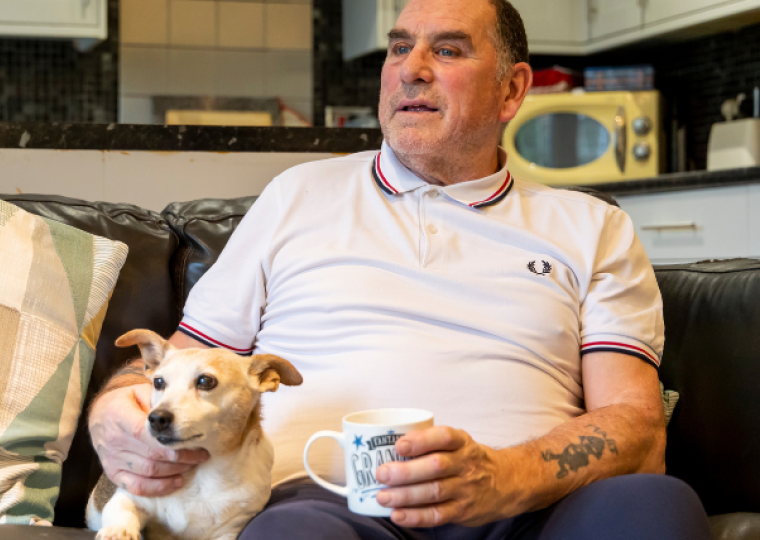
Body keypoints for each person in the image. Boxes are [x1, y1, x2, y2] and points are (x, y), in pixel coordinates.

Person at [84, 0, 710, 538]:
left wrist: (505, 478)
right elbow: (181, 363)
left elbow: (637, 430)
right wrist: (114, 411)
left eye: (448, 50)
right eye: (401, 48)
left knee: (653, 506)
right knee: (288, 534)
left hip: (533, 509)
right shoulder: (298, 194)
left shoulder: (593, 226)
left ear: (513, 90)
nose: (411, 70)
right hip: (327, 502)